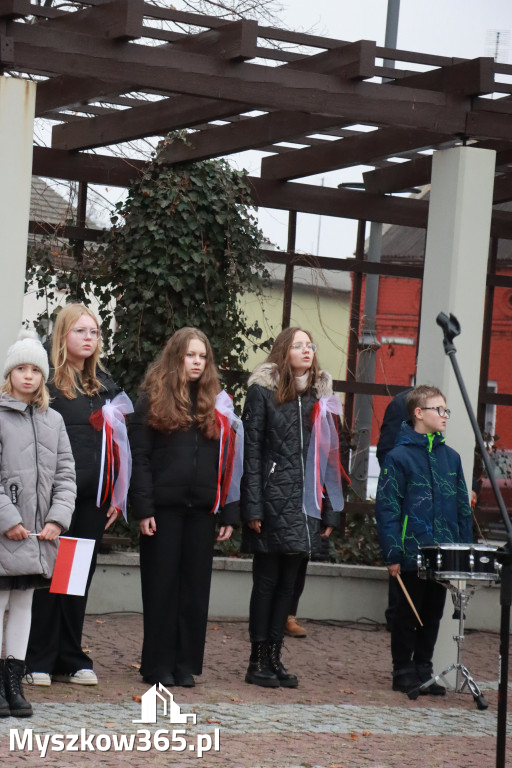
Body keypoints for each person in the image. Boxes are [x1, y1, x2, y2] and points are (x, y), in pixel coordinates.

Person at [129, 328, 241, 688]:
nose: (196, 362)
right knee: (161, 587)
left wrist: (228, 512)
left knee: (195, 590)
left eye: (202, 356)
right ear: (176, 357)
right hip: (163, 509)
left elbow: (228, 463)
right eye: (190, 355)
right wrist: (143, 508)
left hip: (202, 510)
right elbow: (140, 458)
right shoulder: (151, 399)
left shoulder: (216, 403)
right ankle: (157, 664)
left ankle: (184, 663)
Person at [241, 327, 343, 688]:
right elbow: (251, 454)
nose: (306, 351)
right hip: (272, 502)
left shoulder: (321, 398)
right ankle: (257, 662)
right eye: (298, 345)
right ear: (284, 351)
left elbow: (331, 459)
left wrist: (330, 509)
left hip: (306, 506)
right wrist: (253, 506)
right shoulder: (262, 393)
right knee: (267, 582)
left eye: (310, 345)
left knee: (288, 585)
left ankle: (274, 657)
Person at [26, 304, 122, 686]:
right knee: (48, 575)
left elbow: (119, 447)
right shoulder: (47, 386)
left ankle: (70, 655)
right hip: (53, 497)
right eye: (81, 331)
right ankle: (38, 657)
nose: (88, 338)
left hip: (93, 499)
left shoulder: (106, 386)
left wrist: (116, 491)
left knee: (75, 576)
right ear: (63, 335)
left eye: (94, 332)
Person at [375, 384, 473, 696]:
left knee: (433, 612)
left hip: (442, 552)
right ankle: (402, 669)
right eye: (439, 410)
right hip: (410, 550)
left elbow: (461, 509)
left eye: (447, 410)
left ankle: (424, 667)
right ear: (419, 413)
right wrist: (392, 552)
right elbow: (388, 507)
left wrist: (464, 552)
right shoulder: (398, 457)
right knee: (407, 613)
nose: (445, 416)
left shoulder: (452, 459)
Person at [0, 331, 75, 716]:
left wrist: (57, 519)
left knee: (24, 602)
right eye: (21, 368)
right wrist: (8, 519)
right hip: (4, 535)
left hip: (38, 535)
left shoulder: (54, 421)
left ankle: (14, 680)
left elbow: (66, 476)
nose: (27, 376)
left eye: (34, 369)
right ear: (10, 373)